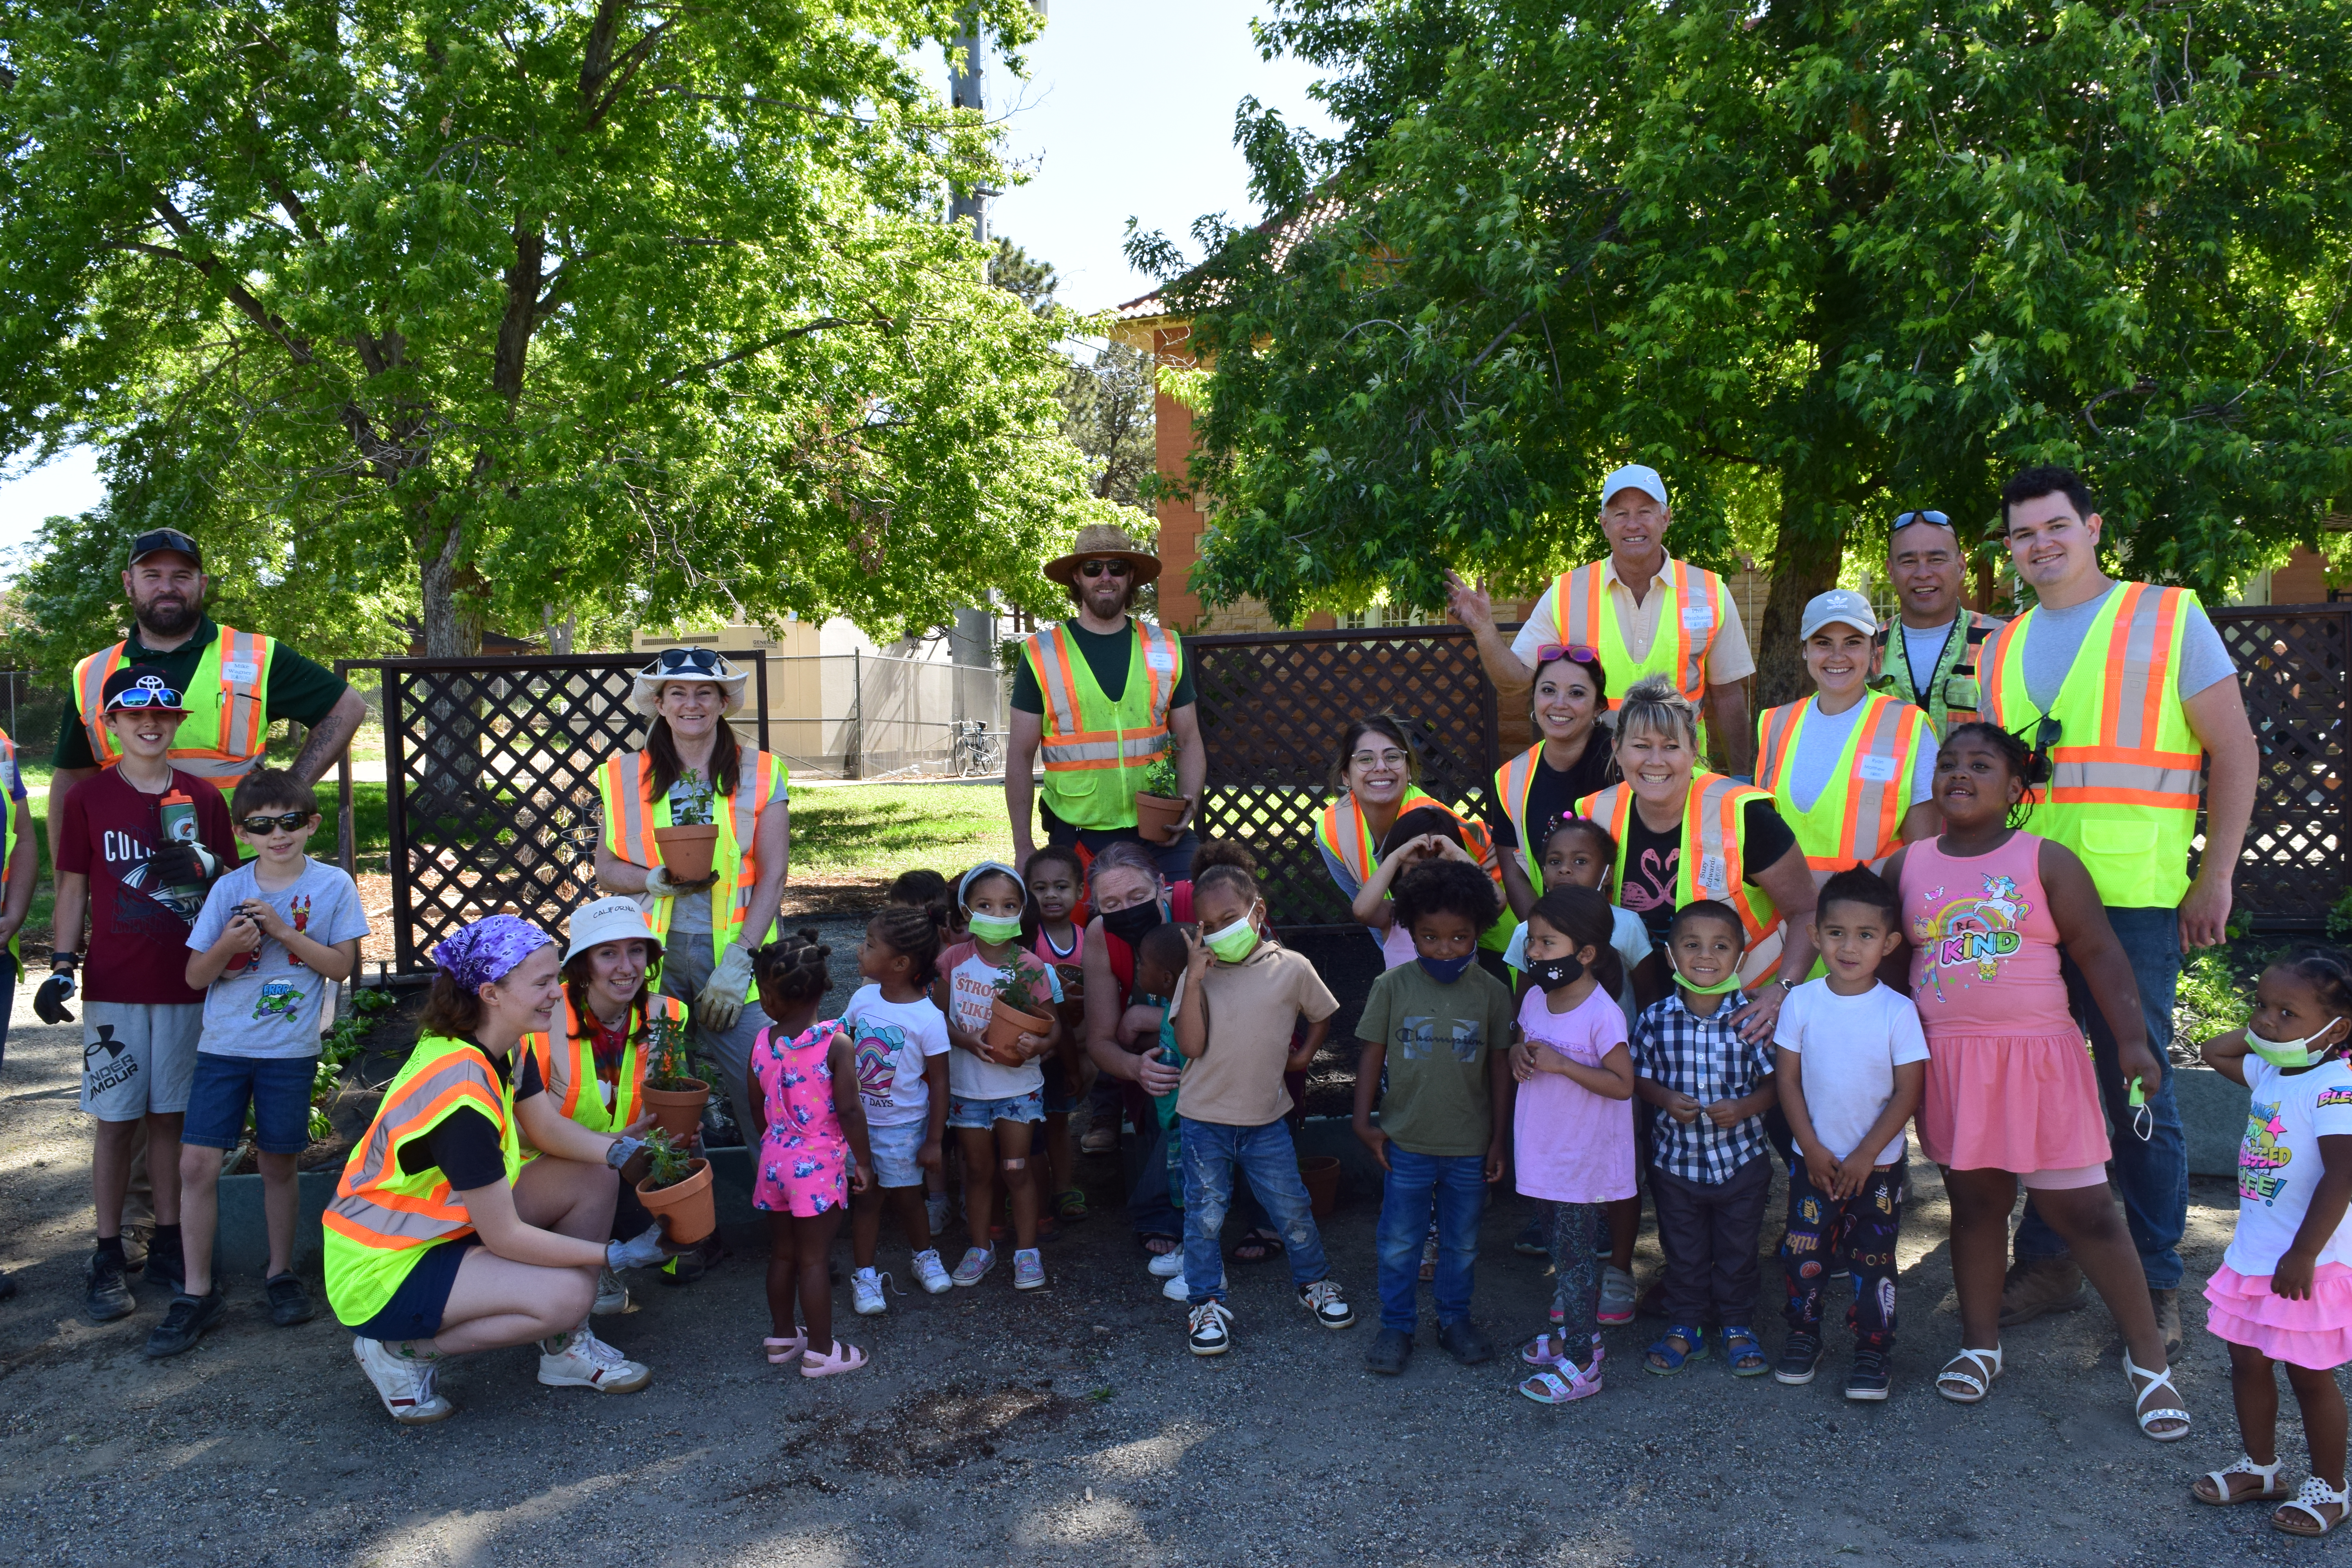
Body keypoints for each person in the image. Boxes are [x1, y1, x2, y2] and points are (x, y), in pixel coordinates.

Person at [1982, 465, 2259, 1350]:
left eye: (2055, 526)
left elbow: (2237, 750)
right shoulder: (1998, 648)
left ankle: (2155, 1274)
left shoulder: (2169, 617)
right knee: (2042, 1086)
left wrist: (2215, 876)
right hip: (2024, 902)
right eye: (2023, 534)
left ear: (2093, 527)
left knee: (2138, 1086)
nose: (2040, 545)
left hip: (2135, 897)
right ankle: (2054, 1259)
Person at [1885, 724, 2187, 1440]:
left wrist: (2133, 1043)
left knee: (2086, 1212)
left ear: (2017, 789)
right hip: (1955, 1064)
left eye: (1981, 765)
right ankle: (1979, 1345)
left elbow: (2102, 954)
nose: (1960, 774)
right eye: (1949, 763)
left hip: (2040, 1061)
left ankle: (2150, 1364)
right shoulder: (1909, 866)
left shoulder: (2045, 860)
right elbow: (1895, 976)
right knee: (1977, 1206)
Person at [324, 916, 669, 1425]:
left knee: (592, 1176)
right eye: (544, 983)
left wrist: (615, 1151)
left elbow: (547, 1131)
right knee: (572, 1294)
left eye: (558, 978)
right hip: (384, 1269)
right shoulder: (462, 1099)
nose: (560, 992)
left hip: (438, 1226)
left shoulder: (499, 1041)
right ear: (490, 992)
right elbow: (505, 1236)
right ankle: (400, 1353)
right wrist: (616, 1254)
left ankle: (565, 1353)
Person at [151, 769, 369, 1357]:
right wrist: (230, 943)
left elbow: (341, 967)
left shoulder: (333, 886)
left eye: (290, 822)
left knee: (279, 1163)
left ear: (311, 825)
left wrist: (280, 931)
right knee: (197, 1164)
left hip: (289, 1053)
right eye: (263, 826)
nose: (279, 835)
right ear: (244, 833)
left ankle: (280, 1275)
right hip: (223, 1046)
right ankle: (197, 1292)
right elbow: (198, 975)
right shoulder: (228, 888)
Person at [46, 665, 239, 1324]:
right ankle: (106, 1251)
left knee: (169, 1117)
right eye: (135, 715)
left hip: (186, 984)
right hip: (117, 986)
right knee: (117, 1119)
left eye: (162, 715)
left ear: (177, 723)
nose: (150, 724)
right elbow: (71, 887)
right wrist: (62, 963)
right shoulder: (89, 800)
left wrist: (212, 882)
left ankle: (167, 1240)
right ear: (113, 725)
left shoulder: (203, 799)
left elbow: (229, 887)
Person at [593, 647, 790, 1167]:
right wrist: (649, 880)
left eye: (705, 692)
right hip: (650, 957)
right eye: (677, 693)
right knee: (663, 1098)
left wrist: (742, 958)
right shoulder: (622, 776)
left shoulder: (762, 772)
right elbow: (606, 867)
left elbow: (773, 875)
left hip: (735, 959)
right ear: (659, 703)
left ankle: (787, 1212)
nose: (691, 703)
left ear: (724, 702)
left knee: (763, 1090)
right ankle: (684, 1220)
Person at [52, 528, 364, 841]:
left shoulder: (256, 655)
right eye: (151, 576)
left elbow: (347, 707)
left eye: (182, 576)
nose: (167, 587)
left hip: (241, 863)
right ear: (128, 583)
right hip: (128, 860)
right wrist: (68, 876)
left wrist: (290, 793)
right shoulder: (91, 672)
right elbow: (72, 777)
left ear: (202, 584)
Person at [1448, 464, 1757, 773]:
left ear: (1666, 518)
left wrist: (1742, 776)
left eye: (1645, 512)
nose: (1633, 524)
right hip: (1592, 775)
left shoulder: (1709, 591)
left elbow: (1729, 694)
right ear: (1604, 523)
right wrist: (1484, 629)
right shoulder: (1568, 592)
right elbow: (1514, 681)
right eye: (1621, 514)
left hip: (1679, 774)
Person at [1171, 852, 1354, 1356]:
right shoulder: (1200, 976)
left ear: (1257, 909)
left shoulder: (1292, 968)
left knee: (1292, 1206)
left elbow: (1322, 1015)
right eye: (1207, 925)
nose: (1219, 932)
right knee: (1204, 1215)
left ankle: (1314, 1283)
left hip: (1267, 1118)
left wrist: (1303, 1057)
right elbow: (1189, 1045)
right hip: (1203, 1120)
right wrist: (1192, 979)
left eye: (1230, 919)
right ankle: (1204, 1303)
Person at [2194, 949, 2352, 1536]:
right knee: (2246, 1363)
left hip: (2306, 1261)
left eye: (2288, 1013)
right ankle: (2262, 1468)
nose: (2266, 1021)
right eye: (2261, 1005)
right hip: (2256, 1255)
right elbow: (2216, 1051)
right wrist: (2271, 1030)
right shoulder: (2272, 1071)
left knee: (2311, 1375)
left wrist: (2304, 1253)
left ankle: (2331, 1487)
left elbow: (2343, 1174)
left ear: (2339, 1028)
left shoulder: (2337, 1085)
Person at [1575, 675, 1820, 1031]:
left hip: (1751, 1013)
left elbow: (1808, 910)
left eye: (1671, 746)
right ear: (1617, 748)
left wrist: (1782, 992)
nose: (1655, 761)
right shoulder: (1595, 817)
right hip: (1645, 1018)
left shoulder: (1743, 814)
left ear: (1694, 748)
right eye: (1641, 746)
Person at [1769, 866, 1926, 1400]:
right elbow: (1786, 1081)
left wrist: (1865, 1155)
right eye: (1836, 933)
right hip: (1812, 1164)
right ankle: (1802, 1336)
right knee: (1803, 1254)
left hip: (1876, 1170)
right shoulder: (1801, 1002)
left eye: (1866, 935)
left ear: (1890, 943)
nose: (1850, 947)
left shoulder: (1898, 1012)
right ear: (1815, 936)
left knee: (1873, 1261)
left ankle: (1873, 1350)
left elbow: (1907, 1092)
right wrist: (1811, 1147)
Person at [1356, 860, 1516, 1376]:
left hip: (1470, 1147)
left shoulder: (1492, 993)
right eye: (1430, 937)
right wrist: (1364, 1122)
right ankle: (1396, 1326)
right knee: (1400, 1240)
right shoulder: (1392, 986)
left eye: (1459, 937)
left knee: (1462, 1240)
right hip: (1406, 1142)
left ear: (1478, 933)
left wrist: (1498, 1140)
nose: (1444, 948)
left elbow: (1500, 1067)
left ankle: (1454, 1321)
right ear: (1409, 929)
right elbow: (1371, 1056)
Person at [1501, 812, 1659, 1319]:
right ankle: (1574, 1281)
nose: (1566, 870)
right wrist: (1517, 1051)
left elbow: (1652, 997)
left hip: (1609, 1072)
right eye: (1554, 861)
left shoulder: (1626, 926)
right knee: (1563, 1183)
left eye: (1580, 861)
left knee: (1618, 1174)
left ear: (1606, 871)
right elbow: (1525, 1007)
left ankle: (1618, 1270)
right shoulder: (1530, 931)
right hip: (1552, 1098)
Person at [515, 896, 689, 1318]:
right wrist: (607, 1145)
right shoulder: (539, 1017)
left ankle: (626, 1250)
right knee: (597, 1172)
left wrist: (676, 1129)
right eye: (608, 953)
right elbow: (513, 1127)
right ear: (584, 965)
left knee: (689, 1171)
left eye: (635, 951)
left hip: (630, 1160)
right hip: (536, 1169)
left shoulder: (667, 1015)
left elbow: (670, 1100)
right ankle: (571, 1266)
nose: (626, 967)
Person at [1007, 522, 1205, 879]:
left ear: (1131, 577)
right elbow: (1020, 756)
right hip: (1076, 833)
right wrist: (1023, 847)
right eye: (1093, 568)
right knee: (1090, 931)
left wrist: (1189, 804)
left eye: (1116, 567)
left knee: (1190, 909)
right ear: (1076, 578)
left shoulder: (1164, 645)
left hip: (1158, 830)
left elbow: (1189, 739)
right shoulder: (1041, 653)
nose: (1105, 577)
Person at [1632, 900, 1778, 1377]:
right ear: (1671, 955)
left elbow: (1778, 1085)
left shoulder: (1753, 1018)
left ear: (1740, 957)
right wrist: (1664, 1097)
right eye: (1692, 945)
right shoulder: (1656, 1019)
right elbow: (1637, 1077)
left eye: (1721, 946)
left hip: (1742, 1161)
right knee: (1684, 1249)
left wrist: (1744, 1108)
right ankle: (1686, 1324)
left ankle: (1737, 1324)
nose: (1706, 956)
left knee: (1738, 1249)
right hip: (1677, 1163)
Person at [1507, 887, 1636, 1405]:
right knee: (1561, 1252)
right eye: (1532, 941)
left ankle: (1583, 1363)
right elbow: (1525, 1040)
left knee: (1577, 1261)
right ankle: (1581, 1339)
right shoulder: (1537, 995)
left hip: (1581, 1160)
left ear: (1584, 954)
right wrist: (1520, 1054)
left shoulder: (1603, 1014)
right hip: (1542, 1149)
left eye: (1546, 942)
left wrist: (1562, 1064)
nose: (1533, 952)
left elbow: (1623, 1084)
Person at [748, 932, 876, 1378]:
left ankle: (783, 1336)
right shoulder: (836, 1044)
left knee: (783, 1253)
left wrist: (777, 1145)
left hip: (774, 1161)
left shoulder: (763, 1042)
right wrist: (863, 1161)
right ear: (824, 987)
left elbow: (757, 1106)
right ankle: (822, 1350)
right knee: (814, 1258)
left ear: (769, 997)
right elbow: (849, 1109)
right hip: (816, 1168)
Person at [932, 862, 1063, 1292]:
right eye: (985, 905)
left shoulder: (1030, 966)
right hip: (967, 1090)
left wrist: (1038, 1046)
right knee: (976, 1168)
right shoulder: (952, 960)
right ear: (967, 912)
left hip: (1018, 1089)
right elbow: (936, 1017)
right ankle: (980, 1246)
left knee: (1017, 1167)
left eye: (1009, 905)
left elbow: (1053, 1026)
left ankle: (1027, 1251)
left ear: (1022, 910)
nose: (997, 913)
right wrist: (965, 1041)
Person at [1755, 590, 1938, 880]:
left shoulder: (1908, 725)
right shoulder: (1775, 723)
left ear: (1873, 650)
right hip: (1785, 914)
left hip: (1868, 916)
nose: (1837, 656)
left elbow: (1924, 854)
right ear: (1805, 650)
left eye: (1852, 643)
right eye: (1823, 643)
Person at [1317, 716, 1514, 967]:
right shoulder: (1330, 828)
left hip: (1499, 937)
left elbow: (1498, 889)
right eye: (1366, 759)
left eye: (1392, 757)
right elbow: (1370, 915)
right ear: (1346, 775)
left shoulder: (1429, 823)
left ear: (1408, 769)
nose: (1381, 767)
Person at [842, 903, 955, 1307]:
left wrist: (934, 1141)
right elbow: (841, 1044)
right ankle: (866, 1276)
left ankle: (923, 1255)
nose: (859, 950)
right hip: (857, 1125)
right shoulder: (862, 997)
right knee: (867, 1197)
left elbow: (941, 1081)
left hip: (903, 1127)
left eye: (870, 944)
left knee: (909, 1197)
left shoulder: (928, 1018)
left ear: (901, 963)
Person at [1489, 646, 1621, 898]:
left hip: (1627, 929)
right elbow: (1514, 872)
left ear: (1598, 708)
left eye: (1576, 693)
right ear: (1535, 698)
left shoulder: (1626, 765)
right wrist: (1542, 932)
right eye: (1548, 690)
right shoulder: (1511, 778)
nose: (1560, 704)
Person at [1876, 509, 2005, 738]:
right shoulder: (1866, 648)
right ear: (1891, 571)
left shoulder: (2002, 641)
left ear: (1961, 566)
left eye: (1936, 559)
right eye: (1909, 561)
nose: (1923, 573)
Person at [1023, 845, 1094, 1216]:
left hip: (1072, 1047)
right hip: (1031, 1050)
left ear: (1081, 892)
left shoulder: (1088, 939)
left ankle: (1064, 1188)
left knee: (1057, 1121)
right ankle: (1025, 1191)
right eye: (1040, 888)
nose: (1051, 895)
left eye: (1061, 887)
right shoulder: (1026, 942)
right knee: (1022, 1127)